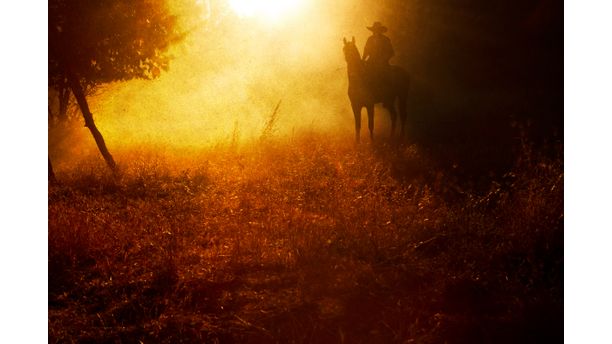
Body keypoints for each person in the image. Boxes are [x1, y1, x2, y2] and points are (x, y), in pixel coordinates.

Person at [362, 22, 394, 97]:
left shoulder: (385, 40)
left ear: (380, 31)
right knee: (363, 74)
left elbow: (391, 52)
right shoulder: (370, 39)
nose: (375, 32)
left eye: (377, 30)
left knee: (384, 76)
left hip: (383, 63)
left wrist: (383, 59)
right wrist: (363, 60)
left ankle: (386, 95)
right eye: (374, 30)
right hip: (371, 61)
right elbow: (366, 50)